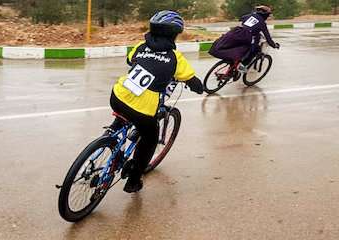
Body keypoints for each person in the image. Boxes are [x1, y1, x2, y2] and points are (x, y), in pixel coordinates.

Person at [108, 10, 203, 193]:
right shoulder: (175, 58)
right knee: (150, 138)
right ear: (174, 34)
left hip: (117, 96)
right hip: (142, 111)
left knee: (125, 110)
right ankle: (133, 181)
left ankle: (110, 139)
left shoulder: (140, 46)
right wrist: (199, 87)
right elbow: (193, 81)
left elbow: (130, 60)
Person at [209, 5, 280, 72]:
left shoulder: (251, 15)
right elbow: (268, 38)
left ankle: (233, 62)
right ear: (265, 15)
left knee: (235, 46)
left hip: (236, 32)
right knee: (255, 49)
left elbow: (242, 18)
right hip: (245, 36)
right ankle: (242, 66)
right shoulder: (262, 23)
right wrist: (274, 45)